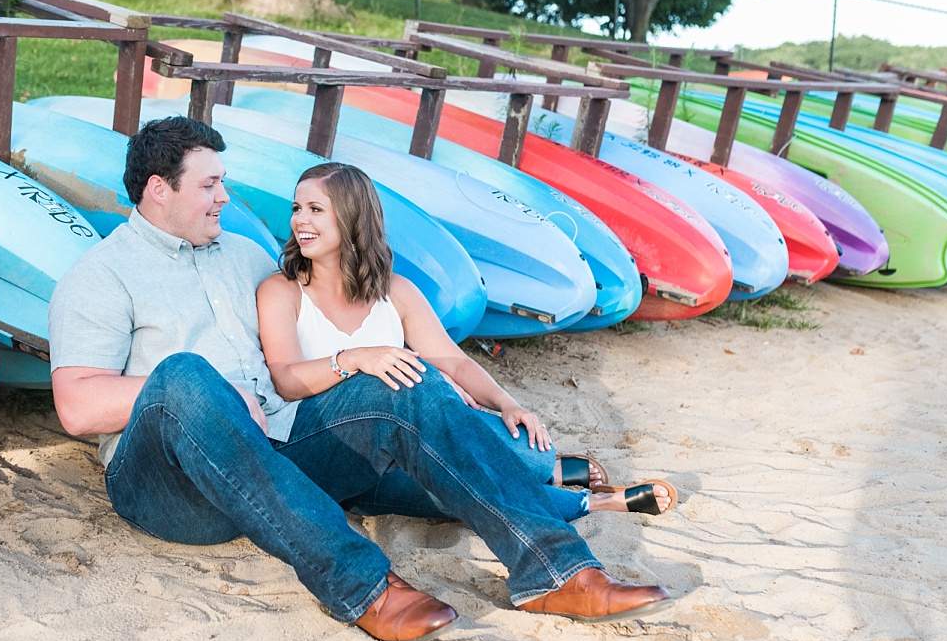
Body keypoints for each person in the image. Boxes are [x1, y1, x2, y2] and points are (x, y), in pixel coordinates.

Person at [49, 116, 676, 641]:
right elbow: (77, 407)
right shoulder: (101, 275)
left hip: (275, 450)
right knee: (186, 375)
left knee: (407, 375)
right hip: (167, 488)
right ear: (159, 190)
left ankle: (555, 572)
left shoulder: (242, 255)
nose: (223, 196)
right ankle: (363, 587)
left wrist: (369, 353)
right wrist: (208, 396)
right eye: (210, 184)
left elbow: (311, 327)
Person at [256, 162, 678, 522]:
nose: (299, 221)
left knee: (521, 447)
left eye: (315, 210)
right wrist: (357, 358)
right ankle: (593, 503)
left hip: (420, 432)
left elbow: (454, 363)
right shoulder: (283, 291)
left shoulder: (396, 291)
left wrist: (509, 404)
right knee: (452, 486)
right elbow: (287, 382)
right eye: (297, 208)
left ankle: (542, 471)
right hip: (341, 449)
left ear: (351, 219)